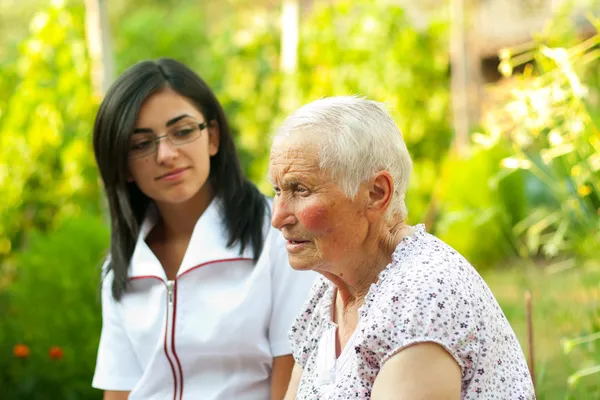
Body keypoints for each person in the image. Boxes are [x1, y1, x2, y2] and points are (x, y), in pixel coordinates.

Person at [268, 96, 536, 399]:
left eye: (300, 190)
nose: (278, 217)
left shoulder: (424, 295)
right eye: (278, 190)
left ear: (375, 193)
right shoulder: (327, 294)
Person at [91, 58, 315, 400]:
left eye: (182, 132)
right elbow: (119, 391)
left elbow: (292, 380)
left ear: (212, 137)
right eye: (141, 144)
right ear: (123, 167)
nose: (166, 154)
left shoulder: (280, 238)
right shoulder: (122, 269)